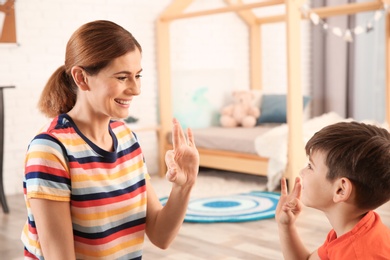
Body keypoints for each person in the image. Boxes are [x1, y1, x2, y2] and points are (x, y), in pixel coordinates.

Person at [21, 20, 199, 260]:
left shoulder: (127, 139)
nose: (136, 89)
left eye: (138, 75)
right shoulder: (50, 150)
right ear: (81, 78)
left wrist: (183, 186)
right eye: (123, 77)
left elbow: (161, 235)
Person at [276, 121, 390, 259]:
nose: (301, 172)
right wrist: (285, 226)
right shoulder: (358, 227)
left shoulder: (357, 255)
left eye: (310, 166)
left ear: (341, 190)